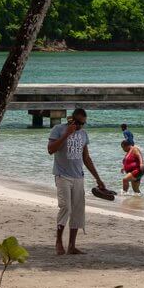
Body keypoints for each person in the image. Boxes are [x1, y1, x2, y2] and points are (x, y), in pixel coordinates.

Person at [46, 107, 107, 256]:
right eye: (78, 122)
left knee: (78, 211)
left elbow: (86, 158)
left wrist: (98, 178)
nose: (80, 126)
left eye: (83, 123)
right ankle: (58, 241)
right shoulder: (58, 129)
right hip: (62, 175)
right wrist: (67, 134)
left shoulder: (83, 134)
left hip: (78, 177)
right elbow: (50, 149)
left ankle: (72, 246)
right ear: (71, 119)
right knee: (65, 207)